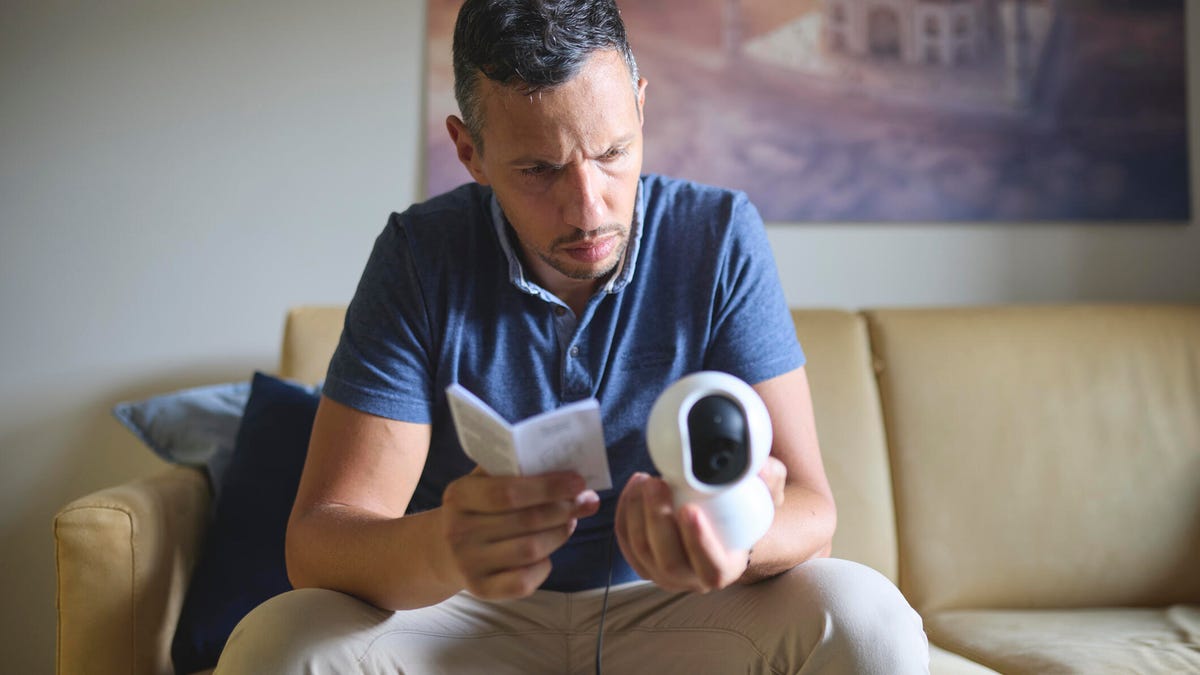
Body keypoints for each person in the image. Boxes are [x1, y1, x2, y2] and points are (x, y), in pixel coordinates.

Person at [215, 0, 929, 672]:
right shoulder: (419, 255)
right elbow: (319, 543)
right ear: (469, 152)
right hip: (461, 611)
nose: (589, 208)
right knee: (277, 644)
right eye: (539, 169)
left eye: (614, 151)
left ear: (642, 107)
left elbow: (812, 509)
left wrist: (731, 541)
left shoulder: (717, 235)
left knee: (871, 621)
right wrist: (442, 544)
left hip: (673, 608)